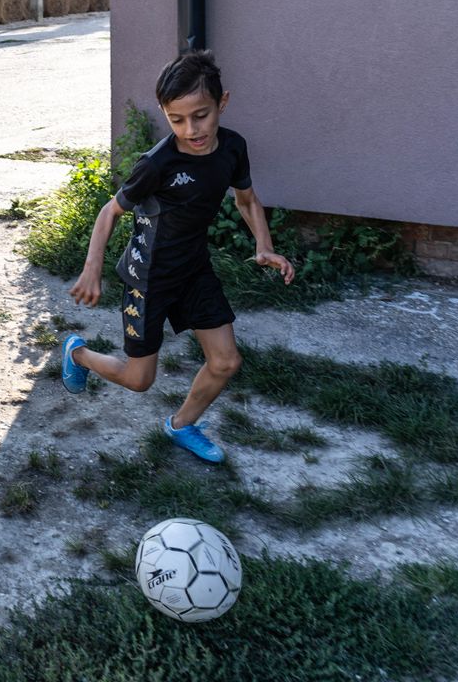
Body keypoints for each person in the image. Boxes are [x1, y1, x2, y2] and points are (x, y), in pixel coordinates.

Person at [62, 51, 295, 462]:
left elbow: (247, 199)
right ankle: (77, 353)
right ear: (165, 114)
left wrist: (264, 245)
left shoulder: (233, 148)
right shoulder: (158, 163)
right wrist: (92, 268)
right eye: (177, 119)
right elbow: (109, 211)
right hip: (148, 276)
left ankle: (181, 425)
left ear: (222, 102)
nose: (192, 129)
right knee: (139, 380)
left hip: (193, 270)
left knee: (225, 361)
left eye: (201, 115)